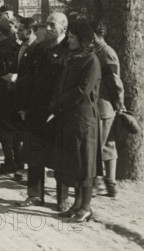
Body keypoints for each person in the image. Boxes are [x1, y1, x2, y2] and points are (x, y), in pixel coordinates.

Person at [16, 12, 71, 211]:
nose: (47, 28)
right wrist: (23, 106)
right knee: (34, 154)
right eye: (46, 24)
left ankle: (62, 198)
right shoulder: (39, 49)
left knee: (60, 156)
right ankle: (34, 194)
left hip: (59, 112)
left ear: (64, 27)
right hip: (36, 110)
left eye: (52, 25)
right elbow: (27, 79)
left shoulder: (70, 49)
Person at [51, 21, 101, 223]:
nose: (69, 40)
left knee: (86, 163)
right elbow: (61, 85)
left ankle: (86, 207)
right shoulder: (73, 59)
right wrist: (55, 103)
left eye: (72, 37)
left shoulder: (91, 60)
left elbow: (82, 90)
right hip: (69, 117)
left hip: (83, 118)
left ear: (83, 40)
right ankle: (77, 204)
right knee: (76, 162)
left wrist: (59, 104)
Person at [91, 20, 125, 198]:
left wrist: (119, 103)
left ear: (96, 35)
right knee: (108, 143)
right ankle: (111, 184)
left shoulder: (105, 52)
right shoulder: (99, 51)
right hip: (105, 105)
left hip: (104, 105)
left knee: (98, 144)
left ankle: (99, 184)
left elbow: (114, 81)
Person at [0, 17, 23, 176]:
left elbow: (6, 72)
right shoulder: (13, 47)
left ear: (1, 33)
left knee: (5, 130)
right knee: (11, 130)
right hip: (11, 93)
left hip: (5, 94)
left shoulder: (4, 50)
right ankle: (17, 162)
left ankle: (11, 162)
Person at [11, 17, 40, 181]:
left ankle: (31, 171)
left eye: (20, 29)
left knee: (30, 137)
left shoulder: (38, 48)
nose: (17, 32)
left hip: (29, 100)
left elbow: (33, 77)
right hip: (19, 96)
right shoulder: (22, 46)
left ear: (29, 32)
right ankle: (23, 167)